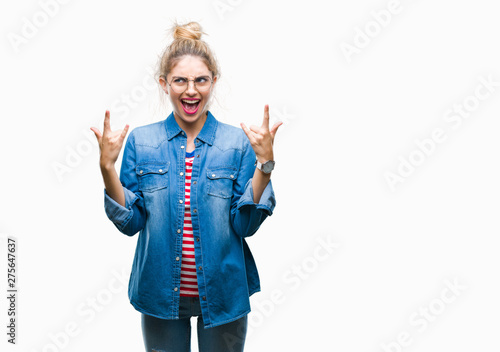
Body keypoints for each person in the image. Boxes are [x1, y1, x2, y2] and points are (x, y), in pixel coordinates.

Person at [90, 21, 281, 352]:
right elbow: (131, 222)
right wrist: (107, 167)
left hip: (223, 295)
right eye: (180, 80)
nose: (191, 90)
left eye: (200, 80)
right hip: (159, 293)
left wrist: (264, 165)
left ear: (213, 83)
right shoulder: (142, 141)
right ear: (165, 84)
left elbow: (244, 225)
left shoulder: (236, 143)